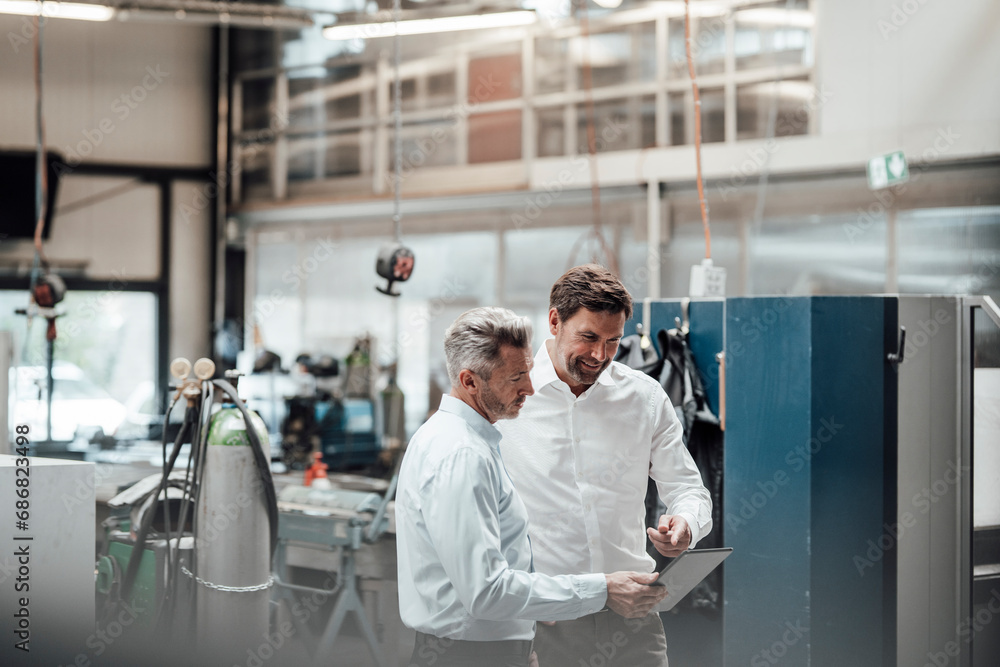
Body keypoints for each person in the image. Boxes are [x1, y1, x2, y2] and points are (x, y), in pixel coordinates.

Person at [396, 307, 669, 667]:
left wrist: (530, 626)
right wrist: (603, 590)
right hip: (467, 654)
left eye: (528, 371)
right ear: (470, 381)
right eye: (515, 377)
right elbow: (487, 592)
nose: (530, 387)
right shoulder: (462, 455)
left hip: (490, 648)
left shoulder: (467, 441)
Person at [497, 265, 713, 667]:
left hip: (634, 618)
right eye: (588, 337)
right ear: (554, 321)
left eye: (613, 341)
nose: (600, 355)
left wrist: (686, 523)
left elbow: (688, 489)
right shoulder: (510, 397)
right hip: (544, 619)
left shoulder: (644, 397)